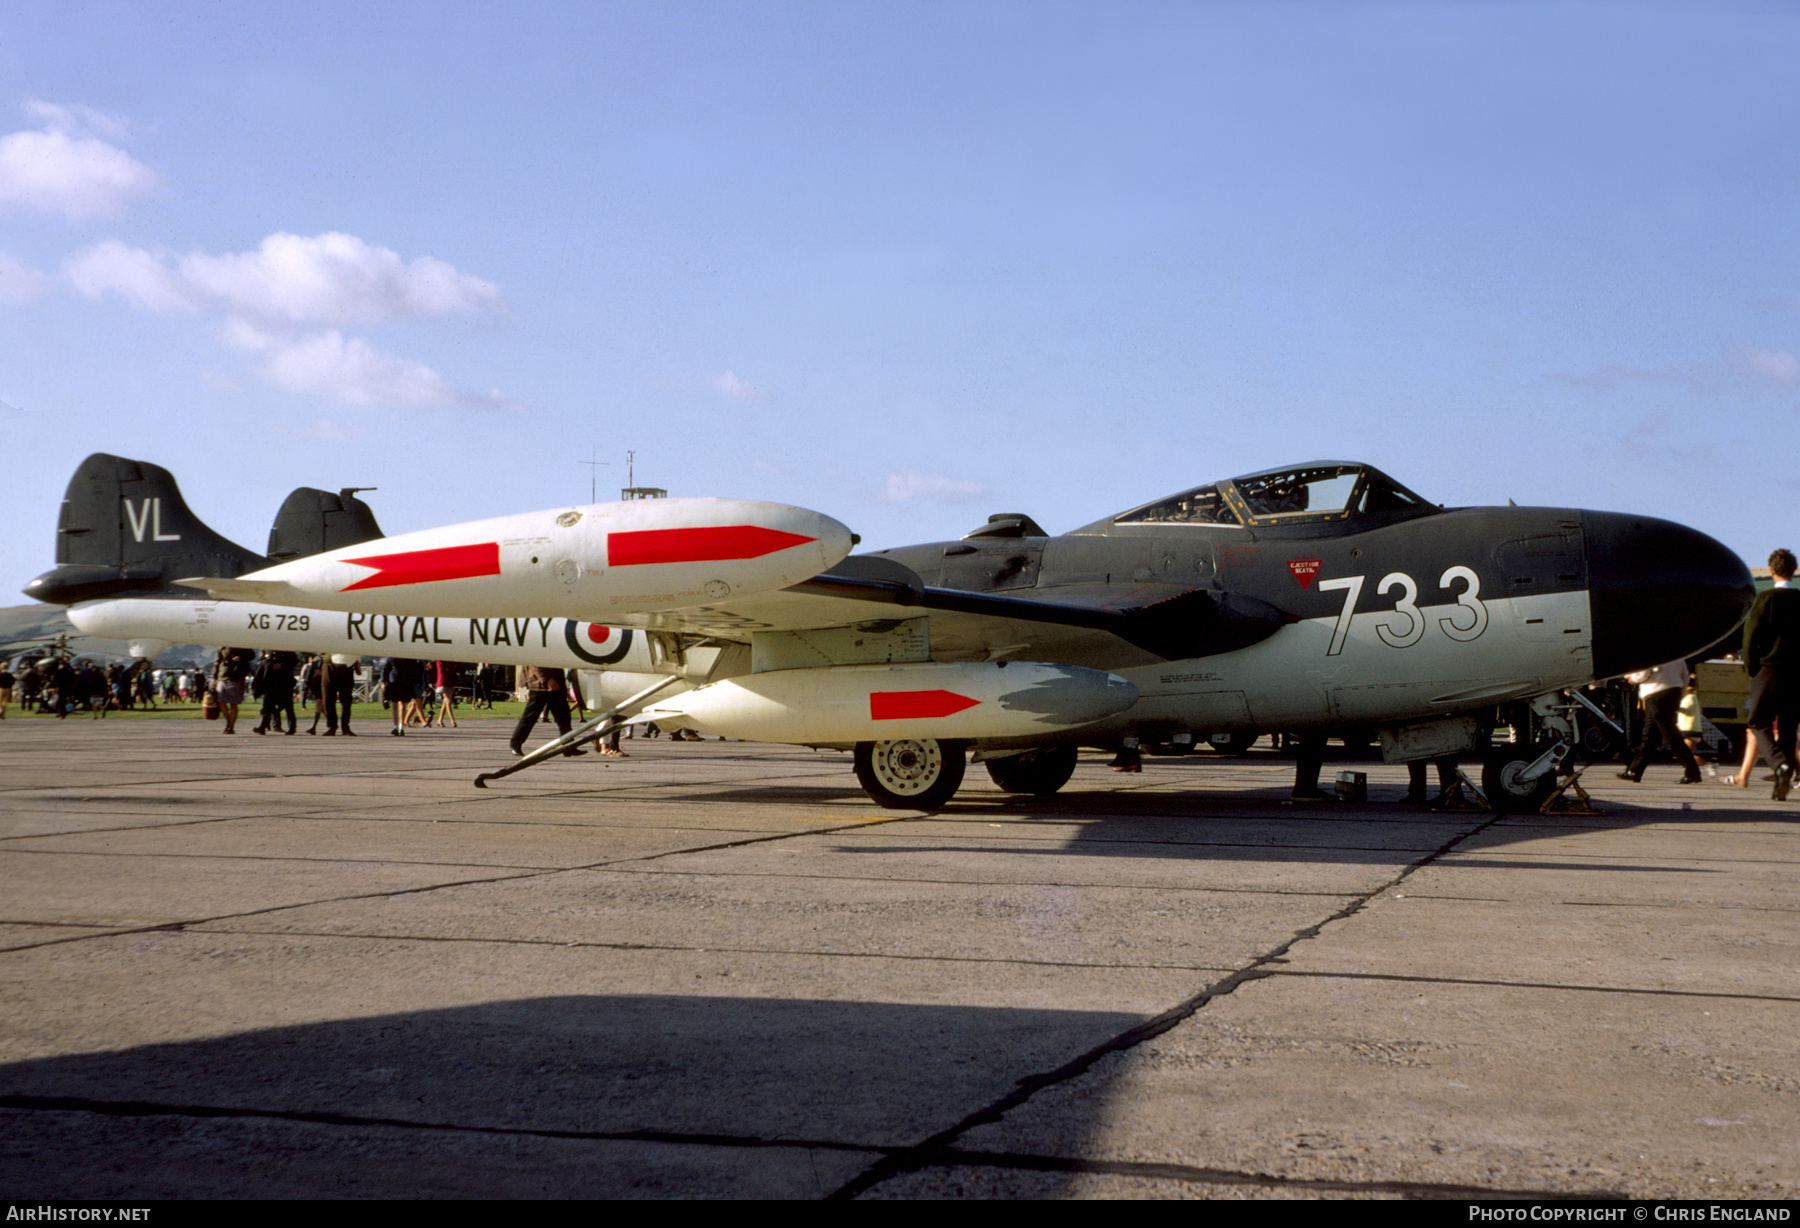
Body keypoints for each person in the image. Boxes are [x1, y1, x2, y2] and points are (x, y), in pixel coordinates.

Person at [1727, 549, 1800, 799]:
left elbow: (1749, 637)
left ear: (1772, 571)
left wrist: (1751, 668)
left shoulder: (1765, 599)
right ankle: (1782, 783)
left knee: (1758, 721)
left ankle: (1780, 764)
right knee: (1790, 725)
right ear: (1794, 570)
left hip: (1768, 670)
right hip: (1797, 673)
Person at [1619, 659, 1702, 784]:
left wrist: (1632, 678)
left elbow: (1644, 672)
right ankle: (1634, 770)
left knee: (1670, 735)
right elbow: (1685, 675)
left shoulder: (1652, 648)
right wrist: (1680, 693)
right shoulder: (1677, 653)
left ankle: (1692, 771)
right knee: (1650, 736)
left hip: (1656, 694)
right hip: (1672, 693)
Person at [509, 665, 587, 758]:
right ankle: (516, 744)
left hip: (556, 683)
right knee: (530, 716)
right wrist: (547, 679)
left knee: (564, 717)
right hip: (540, 685)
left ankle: (569, 746)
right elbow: (535, 663)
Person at [212, 646, 254, 735]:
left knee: (233, 703)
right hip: (223, 675)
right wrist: (214, 677)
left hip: (236, 676)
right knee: (221, 702)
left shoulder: (242, 644)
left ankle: (231, 726)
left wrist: (241, 657)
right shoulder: (222, 646)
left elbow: (251, 656)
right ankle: (228, 722)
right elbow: (217, 661)